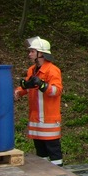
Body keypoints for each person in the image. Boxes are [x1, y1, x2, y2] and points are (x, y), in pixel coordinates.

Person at [13, 36, 64, 166]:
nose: (29, 54)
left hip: (48, 119)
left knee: (53, 150)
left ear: (41, 53)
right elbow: (29, 86)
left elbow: (56, 91)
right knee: (41, 151)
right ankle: (46, 174)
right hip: (36, 119)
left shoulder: (52, 70)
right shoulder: (32, 70)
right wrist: (19, 91)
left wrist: (43, 85)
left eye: (32, 51)